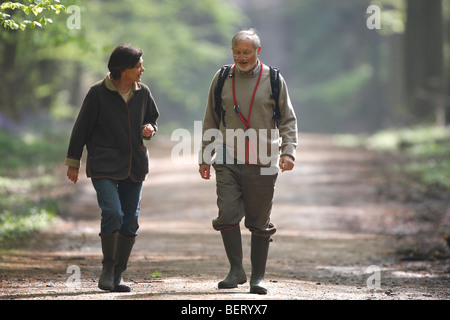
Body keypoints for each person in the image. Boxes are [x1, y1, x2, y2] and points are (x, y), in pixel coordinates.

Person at [199, 29, 298, 294]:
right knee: (227, 213)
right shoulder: (221, 78)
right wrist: (204, 156)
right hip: (227, 156)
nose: (242, 57)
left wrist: (288, 151)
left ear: (258, 51)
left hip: (263, 157)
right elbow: (211, 118)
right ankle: (235, 270)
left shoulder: (274, 79)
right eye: (237, 52)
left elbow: (288, 119)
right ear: (232, 52)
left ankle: (258, 278)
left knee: (258, 219)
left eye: (247, 52)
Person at [65, 44, 159, 292]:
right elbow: (81, 128)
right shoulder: (97, 93)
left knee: (131, 221)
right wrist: (74, 162)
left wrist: (149, 128)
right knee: (113, 212)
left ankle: (118, 273)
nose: (142, 69)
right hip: (103, 164)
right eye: (138, 65)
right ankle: (107, 268)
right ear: (123, 69)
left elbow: (152, 117)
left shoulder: (144, 92)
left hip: (135, 164)